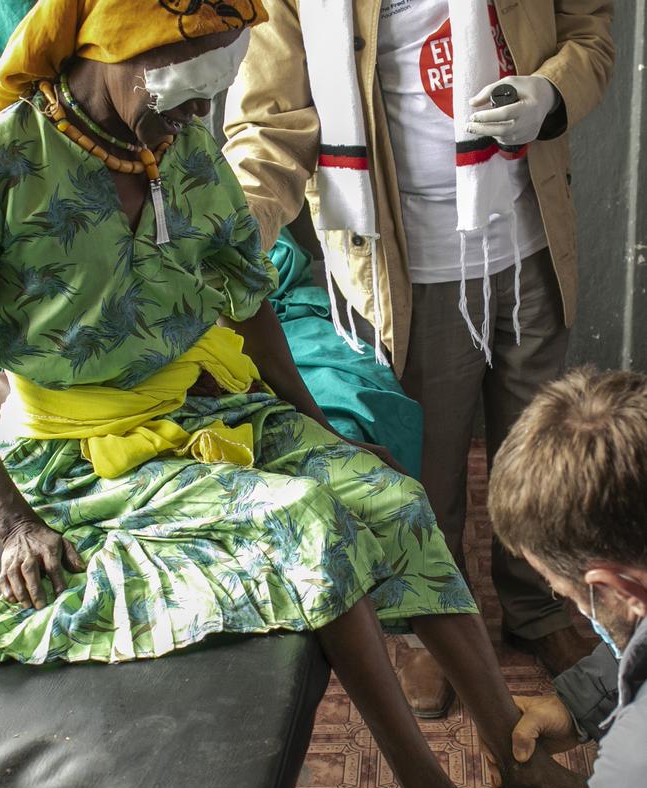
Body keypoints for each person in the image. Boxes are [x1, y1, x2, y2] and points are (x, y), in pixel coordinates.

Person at [0, 0, 586, 788]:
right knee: (311, 521)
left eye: (202, 99)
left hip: (190, 415)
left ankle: (514, 759)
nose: (188, 119)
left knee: (392, 493)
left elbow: (247, 295)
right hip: (77, 459)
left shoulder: (179, 153)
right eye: (173, 92)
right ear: (116, 45)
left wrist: (309, 421)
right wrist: (11, 522)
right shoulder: (12, 165)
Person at [222, 0, 615, 705]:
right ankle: (425, 626)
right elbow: (266, 121)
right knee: (423, 467)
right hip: (403, 266)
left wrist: (552, 94)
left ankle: (536, 607)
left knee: (538, 450)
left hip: (529, 237)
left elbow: (588, 32)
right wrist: (238, 222)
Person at [438, 368, 647, 788]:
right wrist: (577, 703)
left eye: (564, 595)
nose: (571, 609)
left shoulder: (634, 767)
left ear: (612, 587)